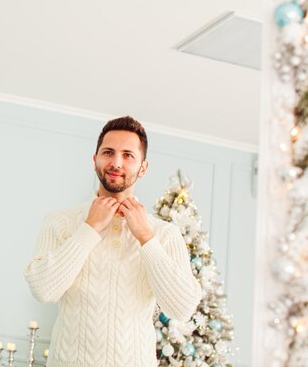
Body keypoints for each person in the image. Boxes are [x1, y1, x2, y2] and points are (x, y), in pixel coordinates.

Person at [23, 116, 201, 367]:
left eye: (128, 155)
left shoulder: (164, 233)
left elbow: (182, 308)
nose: (116, 162)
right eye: (108, 152)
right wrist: (90, 228)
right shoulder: (60, 222)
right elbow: (43, 290)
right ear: (95, 160)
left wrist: (146, 238)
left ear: (143, 168)